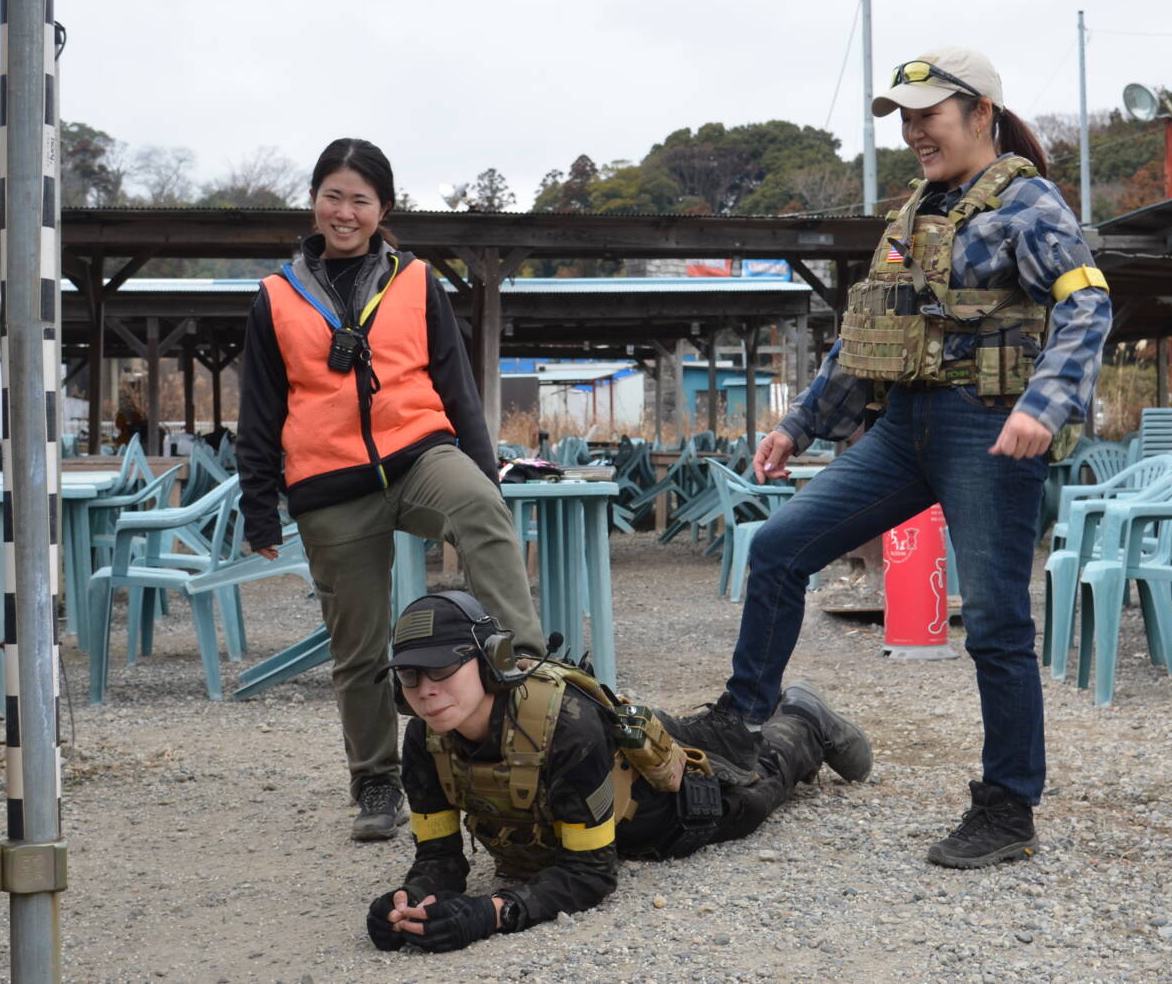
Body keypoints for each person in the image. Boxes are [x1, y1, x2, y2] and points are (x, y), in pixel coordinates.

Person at [662, 47, 1112, 869]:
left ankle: (1008, 807)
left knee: (997, 624)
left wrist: (1043, 405)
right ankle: (740, 721)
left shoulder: (1029, 203)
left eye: (928, 115)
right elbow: (865, 340)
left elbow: (1087, 304)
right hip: (903, 429)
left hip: (987, 428)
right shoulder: (911, 215)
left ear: (981, 112)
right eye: (905, 119)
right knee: (778, 549)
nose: (913, 133)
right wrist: (797, 426)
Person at [237, 138, 544, 841]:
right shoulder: (276, 297)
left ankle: (524, 668)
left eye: (360, 200)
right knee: (358, 649)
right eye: (333, 197)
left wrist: (485, 474)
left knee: (479, 508)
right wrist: (260, 507)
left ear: (384, 209)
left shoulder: (415, 280)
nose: (344, 212)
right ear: (313, 202)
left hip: (417, 455)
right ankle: (376, 781)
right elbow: (260, 410)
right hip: (329, 483)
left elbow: (455, 382)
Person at [365, 591, 872, 952]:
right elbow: (440, 858)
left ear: (489, 661)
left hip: (663, 818)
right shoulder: (425, 738)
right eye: (409, 674)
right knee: (717, 736)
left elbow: (590, 872)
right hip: (589, 791)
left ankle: (803, 718)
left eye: (442, 669)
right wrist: (410, 901)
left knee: (759, 785)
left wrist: (495, 912)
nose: (425, 689)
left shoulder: (566, 727)